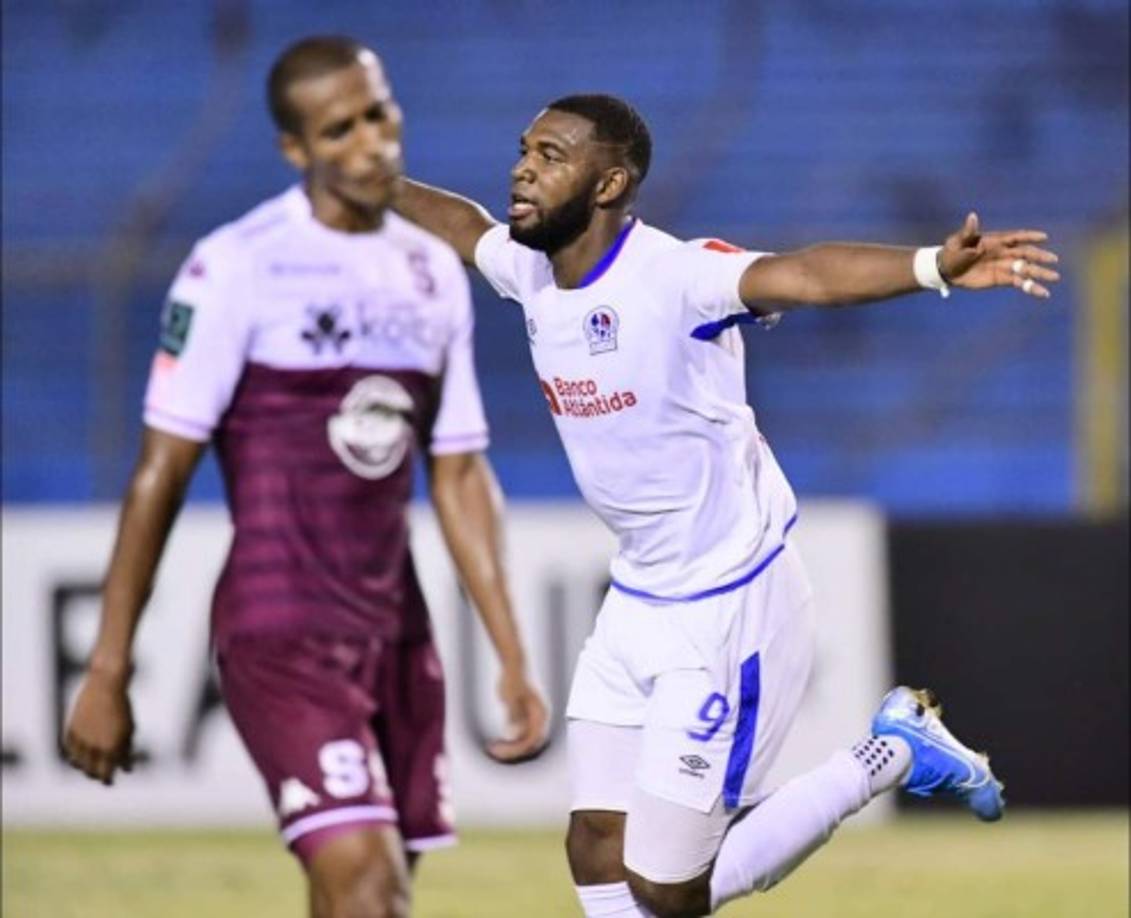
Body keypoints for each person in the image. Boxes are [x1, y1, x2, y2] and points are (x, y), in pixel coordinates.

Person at [389, 94, 1060, 917]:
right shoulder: (530, 268)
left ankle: (884, 756)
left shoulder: (674, 276)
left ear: (608, 185)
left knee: (667, 892)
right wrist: (367, 181)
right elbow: (460, 226)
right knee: (595, 851)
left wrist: (932, 267)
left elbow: (804, 274)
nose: (523, 166)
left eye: (551, 155)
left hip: (727, 605)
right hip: (636, 596)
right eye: (524, 148)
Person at [61, 36, 549, 918]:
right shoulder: (236, 266)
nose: (370, 144)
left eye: (377, 114)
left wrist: (510, 653)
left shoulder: (429, 270)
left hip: (394, 632)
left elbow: (460, 470)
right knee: (367, 885)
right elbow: (159, 474)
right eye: (338, 131)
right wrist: (107, 665)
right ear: (297, 150)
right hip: (280, 626)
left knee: (365, 890)